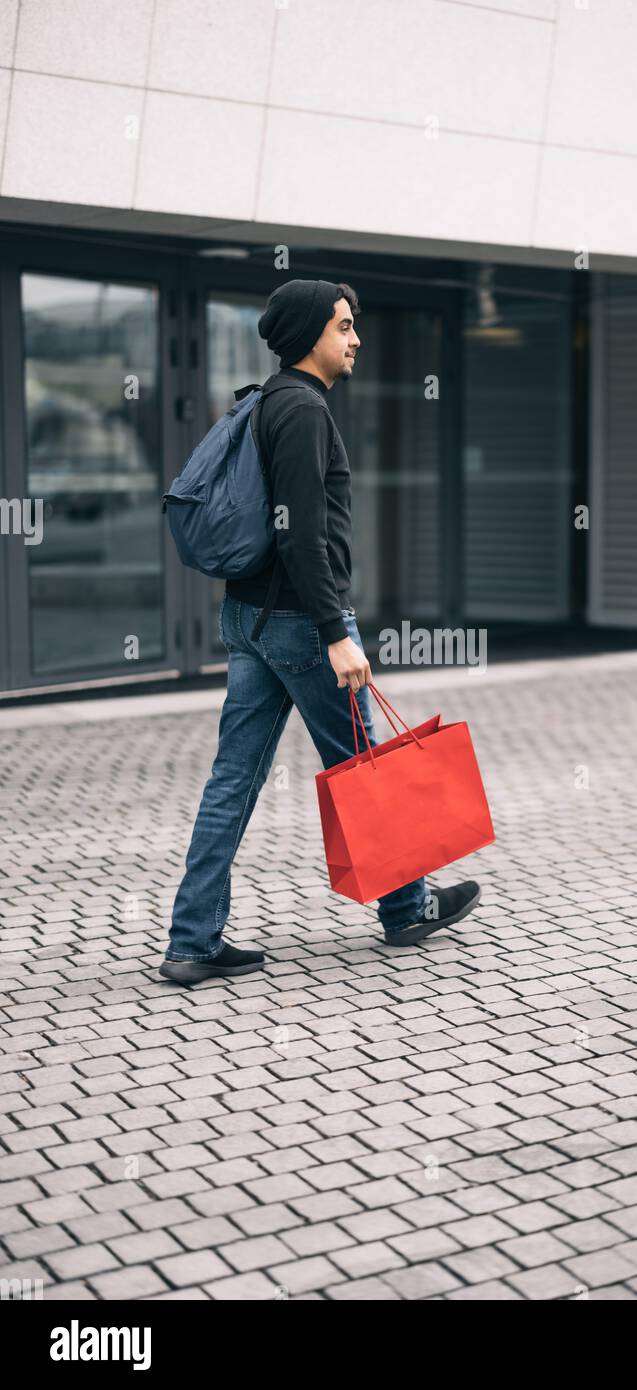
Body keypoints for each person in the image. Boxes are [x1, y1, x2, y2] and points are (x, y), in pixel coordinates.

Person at [160, 278, 480, 985]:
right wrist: (336, 630)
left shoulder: (264, 402)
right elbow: (302, 534)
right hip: (302, 626)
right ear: (311, 334)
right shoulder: (302, 410)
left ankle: (191, 942)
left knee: (232, 780)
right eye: (343, 326)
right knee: (367, 765)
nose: (355, 338)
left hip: (248, 617)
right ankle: (406, 910)